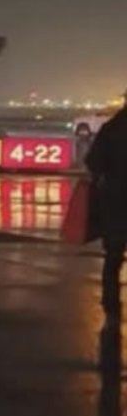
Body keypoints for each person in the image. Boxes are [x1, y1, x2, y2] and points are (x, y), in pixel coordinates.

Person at [86, 99, 127, 316]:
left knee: (112, 258)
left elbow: (93, 162)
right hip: (116, 201)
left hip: (115, 203)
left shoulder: (111, 129)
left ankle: (111, 306)